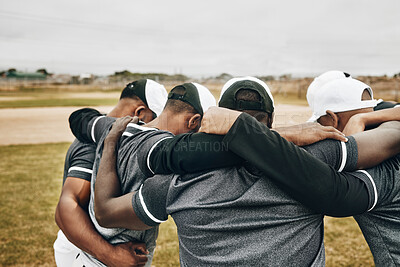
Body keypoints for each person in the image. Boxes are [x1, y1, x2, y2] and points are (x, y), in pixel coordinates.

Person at [92, 77, 400, 266]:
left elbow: (105, 211)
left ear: (213, 128)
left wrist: (109, 144)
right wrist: (361, 123)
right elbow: (389, 141)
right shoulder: (315, 157)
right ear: (270, 122)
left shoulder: (173, 184)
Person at [67, 82, 217, 267]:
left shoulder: (115, 127)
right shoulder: (159, 146)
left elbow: (80, 119)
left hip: (87, 257)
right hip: (117, 259)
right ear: (193, 122)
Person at [53, 79, 167, 267]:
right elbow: (66, 207)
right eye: (155, 120)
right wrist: (110, 255)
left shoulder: (109, 134)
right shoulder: (94, 144)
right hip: (86, 255)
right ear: (139, 113)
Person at [306, 77, 400, 266]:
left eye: (320, 123)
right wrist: (363, 117)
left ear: (332, 118)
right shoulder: (390, 127)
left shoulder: (373, 168)